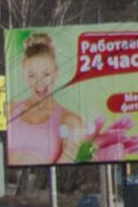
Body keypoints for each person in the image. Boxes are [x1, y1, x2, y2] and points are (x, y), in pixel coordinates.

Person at [8, 33, 83, 165]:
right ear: (24, 76)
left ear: (56, 73)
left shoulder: (68, 119)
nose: (39, 83)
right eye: (32, 75)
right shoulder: (10, 110)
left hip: (43, 183)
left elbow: (67, 161)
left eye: (46, 74)